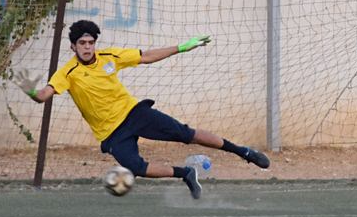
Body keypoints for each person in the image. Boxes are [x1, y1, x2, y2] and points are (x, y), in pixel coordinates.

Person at [16, 20, 271, 199]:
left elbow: (146, 56)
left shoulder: (110, 57)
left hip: (135, 113)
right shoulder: (67, 72)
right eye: (82, 43)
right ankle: (186, 174)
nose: (87, 47)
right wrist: (32, 92)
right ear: (73, 46)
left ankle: (244, 152)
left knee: (186, 134)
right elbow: (44, 95)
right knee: (136, 167)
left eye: (90, 42)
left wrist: (181, 47)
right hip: (111, 133)